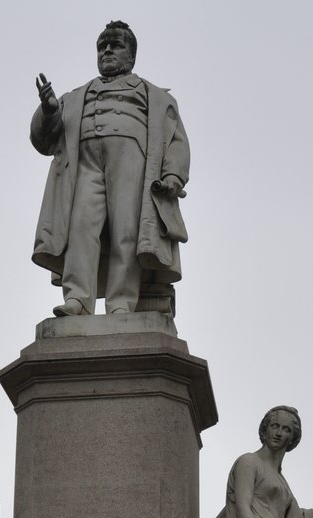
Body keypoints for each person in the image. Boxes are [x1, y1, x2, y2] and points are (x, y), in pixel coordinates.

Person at [31, 20, 190, 317]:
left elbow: (175, 140)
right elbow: (44, 140)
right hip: (85, 165)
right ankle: (78, 299)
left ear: (131, 56)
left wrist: (172, 175)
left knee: (126, 231)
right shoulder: (75, 97)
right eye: (102, 46)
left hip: (133, 164)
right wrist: (50, 111)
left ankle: (121, 302)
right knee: (81, 227)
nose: (107, 50)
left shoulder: (155, 97)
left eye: (115, 45)